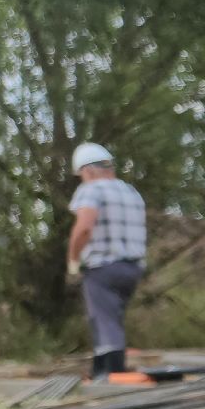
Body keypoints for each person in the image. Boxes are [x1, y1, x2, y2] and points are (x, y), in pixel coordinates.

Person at [66, 142, 148, 382]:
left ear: (88, 170)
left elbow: (83, 228)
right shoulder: (131, 192)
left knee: (102, 318)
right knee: (112, 317)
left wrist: (73, 261)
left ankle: (111, 373)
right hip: (132, 268)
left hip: (103, 267)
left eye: (81, 175)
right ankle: (101, 370)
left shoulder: (91, 190)